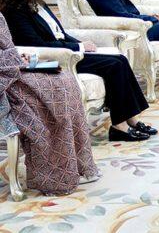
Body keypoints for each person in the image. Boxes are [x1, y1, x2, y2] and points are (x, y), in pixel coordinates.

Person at [0, 0, 156, 141]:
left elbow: (60, 33)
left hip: (67, 50)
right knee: (114, 65)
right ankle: (119, 127)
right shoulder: (15, 12)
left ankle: (132, 120)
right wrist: (79, 47)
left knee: (120, 59)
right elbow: (37, 43)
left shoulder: (38, 3)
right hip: (53, 58)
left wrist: (81, 44)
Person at [0, 12, 99, 195]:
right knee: (52, 92)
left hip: (11, 70)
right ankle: (55, 173)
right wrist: (14, 59)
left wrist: (18, 57)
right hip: (6, 81)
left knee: (65, 79)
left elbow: (7, 49)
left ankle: (76, 164)